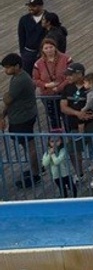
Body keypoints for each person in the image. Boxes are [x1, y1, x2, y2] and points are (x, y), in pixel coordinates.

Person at [1, 52, 41, 188]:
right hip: (23, 115)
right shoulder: (19, 77)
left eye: (8, 68)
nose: (6, 71)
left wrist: (3, 113)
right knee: (28, 145)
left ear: (17, 66)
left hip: (22, 118)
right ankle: (36, 168)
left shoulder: (20, 80)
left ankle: (35, 174)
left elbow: (8, 99)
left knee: (29, 146)